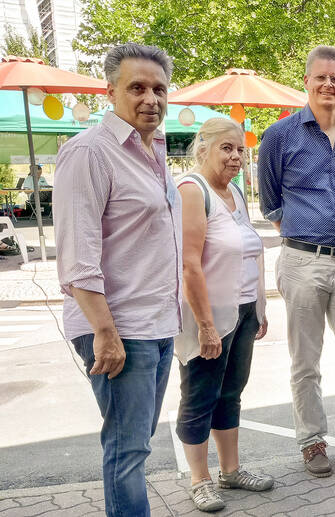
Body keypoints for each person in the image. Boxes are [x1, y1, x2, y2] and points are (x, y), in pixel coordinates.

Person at [53, 43, 180, 517]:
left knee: (137, 441)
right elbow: (77, 258)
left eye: (159, 89)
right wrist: (105, 332)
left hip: (158, 322)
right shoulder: (89, 153)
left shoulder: (156, 148)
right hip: (119, 326)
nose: (150, 98)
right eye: (137, 88)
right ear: (110, 91)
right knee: (128, 449)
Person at [258, 45, 335, 477]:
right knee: (305, 361)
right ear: (306, 81)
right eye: (321, 77)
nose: (329, 84)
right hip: (303, 260)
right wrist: (299, 236)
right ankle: (311, 441)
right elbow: (270, 201)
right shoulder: (280, 135)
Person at [174, 118, 273, 512]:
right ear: (204, 149)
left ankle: (230, 472)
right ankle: (199, 480)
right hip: (209, 316)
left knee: (231, 393)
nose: (235, 157)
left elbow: (248, 252)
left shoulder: (232, 190)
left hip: (243, 310)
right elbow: (190, 266)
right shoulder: (192, 190)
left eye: (240, 149)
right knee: (200, 396)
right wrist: (205, 326)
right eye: (226, 148)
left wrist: (260, 309)